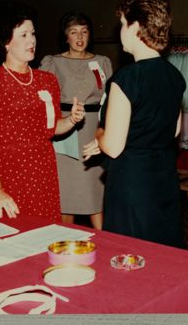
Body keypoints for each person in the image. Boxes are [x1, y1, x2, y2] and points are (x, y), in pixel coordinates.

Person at [82, 0, 186, 247]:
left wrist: (100, 133)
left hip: (133, 184)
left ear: (136, 27)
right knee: (162, 255)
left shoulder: (126, 79)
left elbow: (114, 148)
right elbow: (172, 130)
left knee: (130, 258)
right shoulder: (175, 77)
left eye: (122, 24)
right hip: (164, 181)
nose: (120, 32)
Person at [0, 3, 85, 222]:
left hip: (45, 169)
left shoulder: (47, 80)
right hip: (11, 171)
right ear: (6, 42)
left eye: (33, 34)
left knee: (48, 231)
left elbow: (52, 129)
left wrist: (71, 119)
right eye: (23, 35)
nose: (31, 40)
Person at [40, 12, 113, 229]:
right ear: (66, 37)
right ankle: (67, 237)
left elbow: (110, 99)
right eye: (73, 32)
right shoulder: (53, 62)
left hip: (93, 128)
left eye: (84, 32)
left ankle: (104, 237)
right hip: (65, 129)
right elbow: (42, 100)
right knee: (69, 190)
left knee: (93, 186)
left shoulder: (102, 62)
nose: (79, 37)